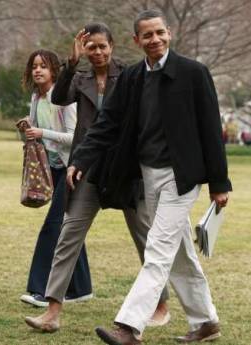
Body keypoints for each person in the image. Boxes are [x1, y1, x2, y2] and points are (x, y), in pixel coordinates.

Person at [59, 10, 231, 344]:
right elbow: (106, 123)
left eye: (159, 33)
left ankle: (129, 327)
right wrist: (80, 158)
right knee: (179, 251)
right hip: (147, 177)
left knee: (158, 249)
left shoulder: (194, 73)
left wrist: (219, 183)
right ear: (137, 41)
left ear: (169, 33)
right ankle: (206, 320)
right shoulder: (132, 78)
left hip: (182, 178)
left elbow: (211, 129)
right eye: (147, 36)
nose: (155, 40)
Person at [24, 23, 170, 332]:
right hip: (87, 167)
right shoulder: (79, 77)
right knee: (69, 235)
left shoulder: (131, 74)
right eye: (92, 47)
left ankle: (160, 304)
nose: (98, 51)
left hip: (125, 169)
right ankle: (52, 311)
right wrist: (70, 64)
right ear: (85, 50)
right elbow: (60, 99)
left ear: (112, 46)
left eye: (102, 46)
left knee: (145, 237)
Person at [19, 49, 93, 308]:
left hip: (74, 168)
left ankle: (40, 290)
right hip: (53, 169)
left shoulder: (65, 99)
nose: (38, 70)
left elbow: (77, 137)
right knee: (68, 227)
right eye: (34, 66)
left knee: (52, 226)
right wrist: (29, 130)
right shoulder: (36, 98)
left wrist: (43, 131)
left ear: (54, 71)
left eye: (43, 66)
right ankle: (81, 288)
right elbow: (38, 135)